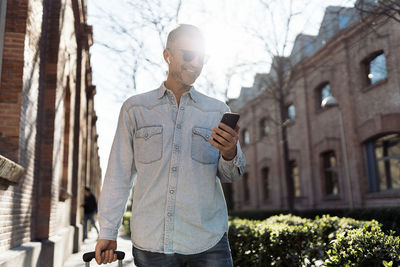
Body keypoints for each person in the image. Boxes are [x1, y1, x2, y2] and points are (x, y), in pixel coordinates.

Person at [95, 24, 246, 266]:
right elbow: (118, 175)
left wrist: (229, 153)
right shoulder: (135, 109)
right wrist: (108, 232)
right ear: (168, 55)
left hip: (207, 242)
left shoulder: (217, 110)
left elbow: (232, 175)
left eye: (202, 57)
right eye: (189, 54)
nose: (196, 63)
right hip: (152, 244)